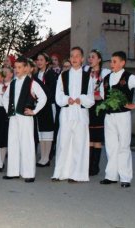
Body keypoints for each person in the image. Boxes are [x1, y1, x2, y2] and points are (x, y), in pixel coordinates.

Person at [52, 47, 95, 183]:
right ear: (70, 59)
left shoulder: (88, 76)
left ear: (82, 59)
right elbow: (58, 95)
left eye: (77, 56)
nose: (74, 58)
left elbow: (91, 98)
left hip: (81, 114)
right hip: (67, 112)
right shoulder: (63, 75)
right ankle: (60, 173)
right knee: (63, 142)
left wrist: (81, 99)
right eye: (72, 56)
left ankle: (77, 174)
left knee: (79, 143)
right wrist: (66, 100)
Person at [100, 51, 135, 188]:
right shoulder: (106, 78)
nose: (112, 64)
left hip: (123, 116)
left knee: (123, 146)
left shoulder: (129, 77)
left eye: (115, 61)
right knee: (111, 146)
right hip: (109, 116)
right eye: (111, 61)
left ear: (123, 62)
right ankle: (111, 176)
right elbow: (102, 93)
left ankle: (125, 177)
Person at [3, 57, 46, 182]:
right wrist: (8, 110)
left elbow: (43, 98)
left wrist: (34, 111)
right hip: (13, 118)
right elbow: (5, 98)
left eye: (20, 67)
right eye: (15, 67)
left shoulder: (32, 82)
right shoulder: (13, 83)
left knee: (26, 144)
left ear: (26, 68)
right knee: (13, 143)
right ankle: (13, 172)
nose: (17, 70)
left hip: (25, 118)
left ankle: (28, 173)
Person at [87, 49, 110, 176]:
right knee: (90, 137)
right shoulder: (86, 72)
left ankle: (95, 166)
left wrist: (101, 96)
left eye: (93, 57)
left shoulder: (105, 73)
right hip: (89, 106)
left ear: (99, 59)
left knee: (97, 138)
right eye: (89, 57)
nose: (90, 59)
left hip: (99, 107)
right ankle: (89, 166)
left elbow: (108, 88)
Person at [34, 53, 58, 167]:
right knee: (41, 133)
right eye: (38, 60)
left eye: (41, 60)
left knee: (48, 132)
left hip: (48, 106)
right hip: (38, 106)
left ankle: (46, 157)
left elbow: (50, 91)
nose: (39, 62)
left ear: (47, 62)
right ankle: (42, 156)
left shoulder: (51, 74)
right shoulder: (36, 74)